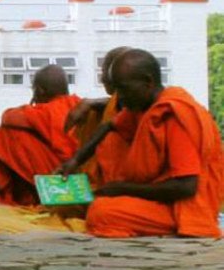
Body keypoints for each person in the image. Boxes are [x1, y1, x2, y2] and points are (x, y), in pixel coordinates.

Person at [59, 48, 223, 237]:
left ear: (147, 82)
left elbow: (186, 187)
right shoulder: (143, 106)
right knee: (95, 204)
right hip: (161, 198)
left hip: (184, 208)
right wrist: (75, 161)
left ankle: (178, 228)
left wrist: (123, 189)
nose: (119, 98)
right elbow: (108, 126)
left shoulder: (172, 114)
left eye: (123, 89)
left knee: (102, 212)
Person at [0, 65, 81, 205]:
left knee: (8, 135)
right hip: (82, 181)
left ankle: (24, 195)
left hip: (60, 180)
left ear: (40, 90)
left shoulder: (45, 111)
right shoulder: (79, 105)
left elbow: (8, 117)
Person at [64, 46, 132, 186]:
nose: (102, 79)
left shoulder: (152, 109)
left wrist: (93, 102)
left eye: (106, 72)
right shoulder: (103, 109)